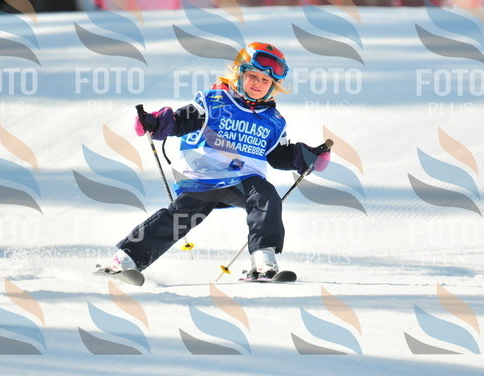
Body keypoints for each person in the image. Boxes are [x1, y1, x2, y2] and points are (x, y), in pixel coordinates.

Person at [103, 41, 330, 279]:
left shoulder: (273, 120)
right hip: (204, 178)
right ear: (238, 74)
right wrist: (156, 123)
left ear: (274, 86)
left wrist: (307, 158)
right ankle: (123, 261)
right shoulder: (213, 102)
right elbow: (182, 121)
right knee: (179, 218)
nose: (258, 84)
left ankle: (263, 261)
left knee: (266, 197)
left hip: (244, 180)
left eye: (265, 80)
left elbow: (278, 155)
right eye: (252, 76)